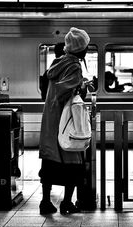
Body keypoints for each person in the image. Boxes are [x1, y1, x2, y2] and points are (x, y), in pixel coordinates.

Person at [38, 27, 90, 215]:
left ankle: (45, 202)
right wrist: (82, 85)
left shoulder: (58, 62)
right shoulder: (74, 65)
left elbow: (55, 88)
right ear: (80, 48)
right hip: (66, 119)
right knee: (73, 159)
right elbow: (65, 91)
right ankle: (67, 203)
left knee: (50, 162)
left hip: (51, 119)